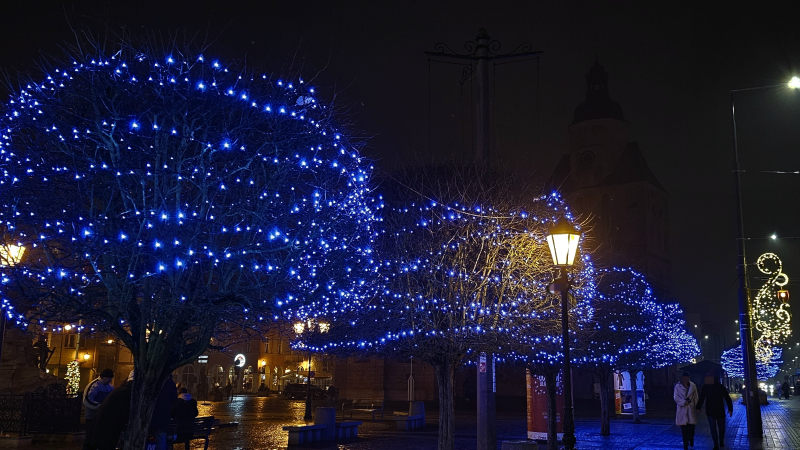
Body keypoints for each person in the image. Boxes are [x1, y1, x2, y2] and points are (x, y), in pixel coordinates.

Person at [91, 374, 133, 450]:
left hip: (107, 421)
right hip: (109, 423)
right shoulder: (125, 391)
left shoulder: (121, 390)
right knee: (106, 444)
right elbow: (123, 409)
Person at [697, 371, 733, 450]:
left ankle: (720, 441)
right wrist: (698, 407)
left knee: (720, 428)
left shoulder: (719, 387)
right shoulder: (706, 387)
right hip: (713, 411)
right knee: (714, 428)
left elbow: (727, 398)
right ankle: (716, 444)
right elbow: (702, 397)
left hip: (718, 410)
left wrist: (730, 409)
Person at [82, 369, 115, 450]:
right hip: (92, 415)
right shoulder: (94, 385)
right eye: (109, 378)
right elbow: (87, 399)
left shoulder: (109, 386)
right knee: (91, 435)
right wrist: (100, 406)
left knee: (98, 436)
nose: (110, 380)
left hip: (102, 415)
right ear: (103, 377)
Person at [150, 373, 178, 450]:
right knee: (161, 439)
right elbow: (174, 401)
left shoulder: (154, 381)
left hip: (151, 416)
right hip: (163, 417)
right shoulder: (170, 384)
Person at [674, 371, 698, 450]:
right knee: (684, 430)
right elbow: (676, 397)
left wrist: (697, 406)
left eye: (687, 378)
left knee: (691, 429)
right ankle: (685, 444)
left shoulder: (693, 386)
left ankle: (691, 439)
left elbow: (696, 397)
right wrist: (684, 402)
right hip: (682, 410)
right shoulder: (678, 386)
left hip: (690, 410)